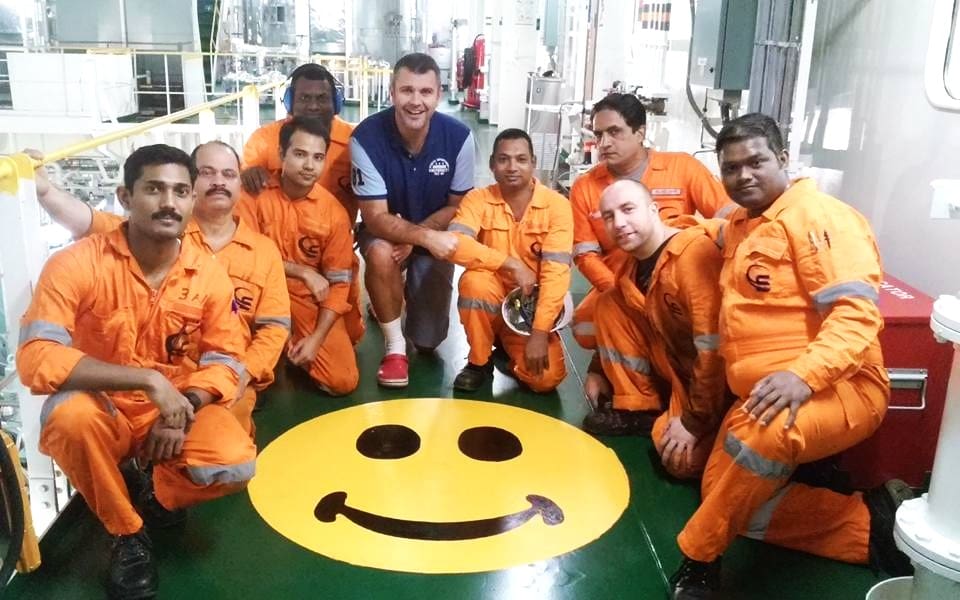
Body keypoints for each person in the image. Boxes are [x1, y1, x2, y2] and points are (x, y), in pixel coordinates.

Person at [668, 114, 913, 599]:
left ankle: (699, 560)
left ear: (783, 159)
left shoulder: (822, 218)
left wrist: (802, 375)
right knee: (725, 495)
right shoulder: (741, 225)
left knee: (763, 442)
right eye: (731, 168)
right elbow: (710, 230)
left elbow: (856, 317)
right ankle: (877, 529)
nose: (744, 176)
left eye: (756, 162)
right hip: (762, 397)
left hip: (838, 388)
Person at [17, 144, 256, 599]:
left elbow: (226, 359)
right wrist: (146, 380)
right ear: (125, 197)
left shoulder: (206, 275)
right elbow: (36, 358)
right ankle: (126, 533)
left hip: (173, 409)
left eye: (181, 191)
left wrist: (182, 407)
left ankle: (155, 492)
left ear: (192, 201)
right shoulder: (76, 264)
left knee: (236, 462)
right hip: (102, 408)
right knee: (70, 419)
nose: (169, 202)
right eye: (154, 189)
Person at [28, 142, 291, 438]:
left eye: (229, 174)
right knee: (82, 420)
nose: (219, 181)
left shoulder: (263, 251)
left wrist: (242, 373)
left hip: (223, 372)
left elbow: (274, 328)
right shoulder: (158, 231)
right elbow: (86, 219)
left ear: (239, 184)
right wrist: (44, 190)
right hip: (161, 371)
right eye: (207, 172)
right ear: (193, 186)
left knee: (226, 446)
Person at [584, 180, 729, 478]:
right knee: (609, 302)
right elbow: (626, 316)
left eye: (628, 209)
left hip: (718, 387)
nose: (619, 223)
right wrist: (597, 368)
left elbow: (713, 352)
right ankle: (640, 409)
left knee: (680, 461)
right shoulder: (631, 265)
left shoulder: (691, 257)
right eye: (609, 216)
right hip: (679, 372)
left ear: (653, 210)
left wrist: (693, 422)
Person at [350, 52, 475, 387]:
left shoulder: (460, 138)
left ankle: (391, 296)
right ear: (392, 93)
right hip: (388, 232)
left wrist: (416, 238)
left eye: (425, 92)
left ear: (438, 94)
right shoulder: (365, 138)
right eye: (407, 91)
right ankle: (394, 347)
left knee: (429, 340)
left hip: (432, 229)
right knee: (378, 253)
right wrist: (415, 238)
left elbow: (458, 206)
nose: (415, 101)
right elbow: (374, 218)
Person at [571, 93, 731, 349]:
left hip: (679, 282)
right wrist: (621, 292)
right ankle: (624, 355)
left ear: (640, 132)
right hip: (622, 282)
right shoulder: (585, 187)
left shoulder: (683, 168)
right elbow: (585, 255)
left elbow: (729, 219)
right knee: (584, 327)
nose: (604, 143)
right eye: (599, 135)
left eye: (615, 132)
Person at [242, 62, 364, 343]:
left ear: (335, 102)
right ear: (289, 102)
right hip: (276, 256)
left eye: (322, 98)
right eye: (304, 98)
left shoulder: (355, 142)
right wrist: (249, 173)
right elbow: (245, 187)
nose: (313, 106)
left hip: (331, 250)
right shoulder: (264, 141)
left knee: (350, 341)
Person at [236, 116, 359, 396]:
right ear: (281, 154)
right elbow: (243, 257)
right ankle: (271, 346)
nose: (308, 165)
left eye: (318, 157)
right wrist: (302, 271)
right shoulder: (252, 196)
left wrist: (316, 339)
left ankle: (292, 341)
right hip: (255, 295)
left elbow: (339, 285)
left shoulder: (334, 213)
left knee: (342, 381)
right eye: (300, 154)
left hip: (304, 299)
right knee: (239, 371)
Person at [447, 128, 572, 393]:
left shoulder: (557, 206)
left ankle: (508, 348)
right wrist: (510, 264)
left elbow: (556, 274)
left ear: (533, 163)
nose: (512, 167)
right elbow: (455, 244)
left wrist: (539, 332)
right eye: (504, 159)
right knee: (474, 282)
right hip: (490, 296)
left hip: (528, 309)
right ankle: (479, 361)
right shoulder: (478, 199)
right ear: (492, 164)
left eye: (521, 159)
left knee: (546, 380)